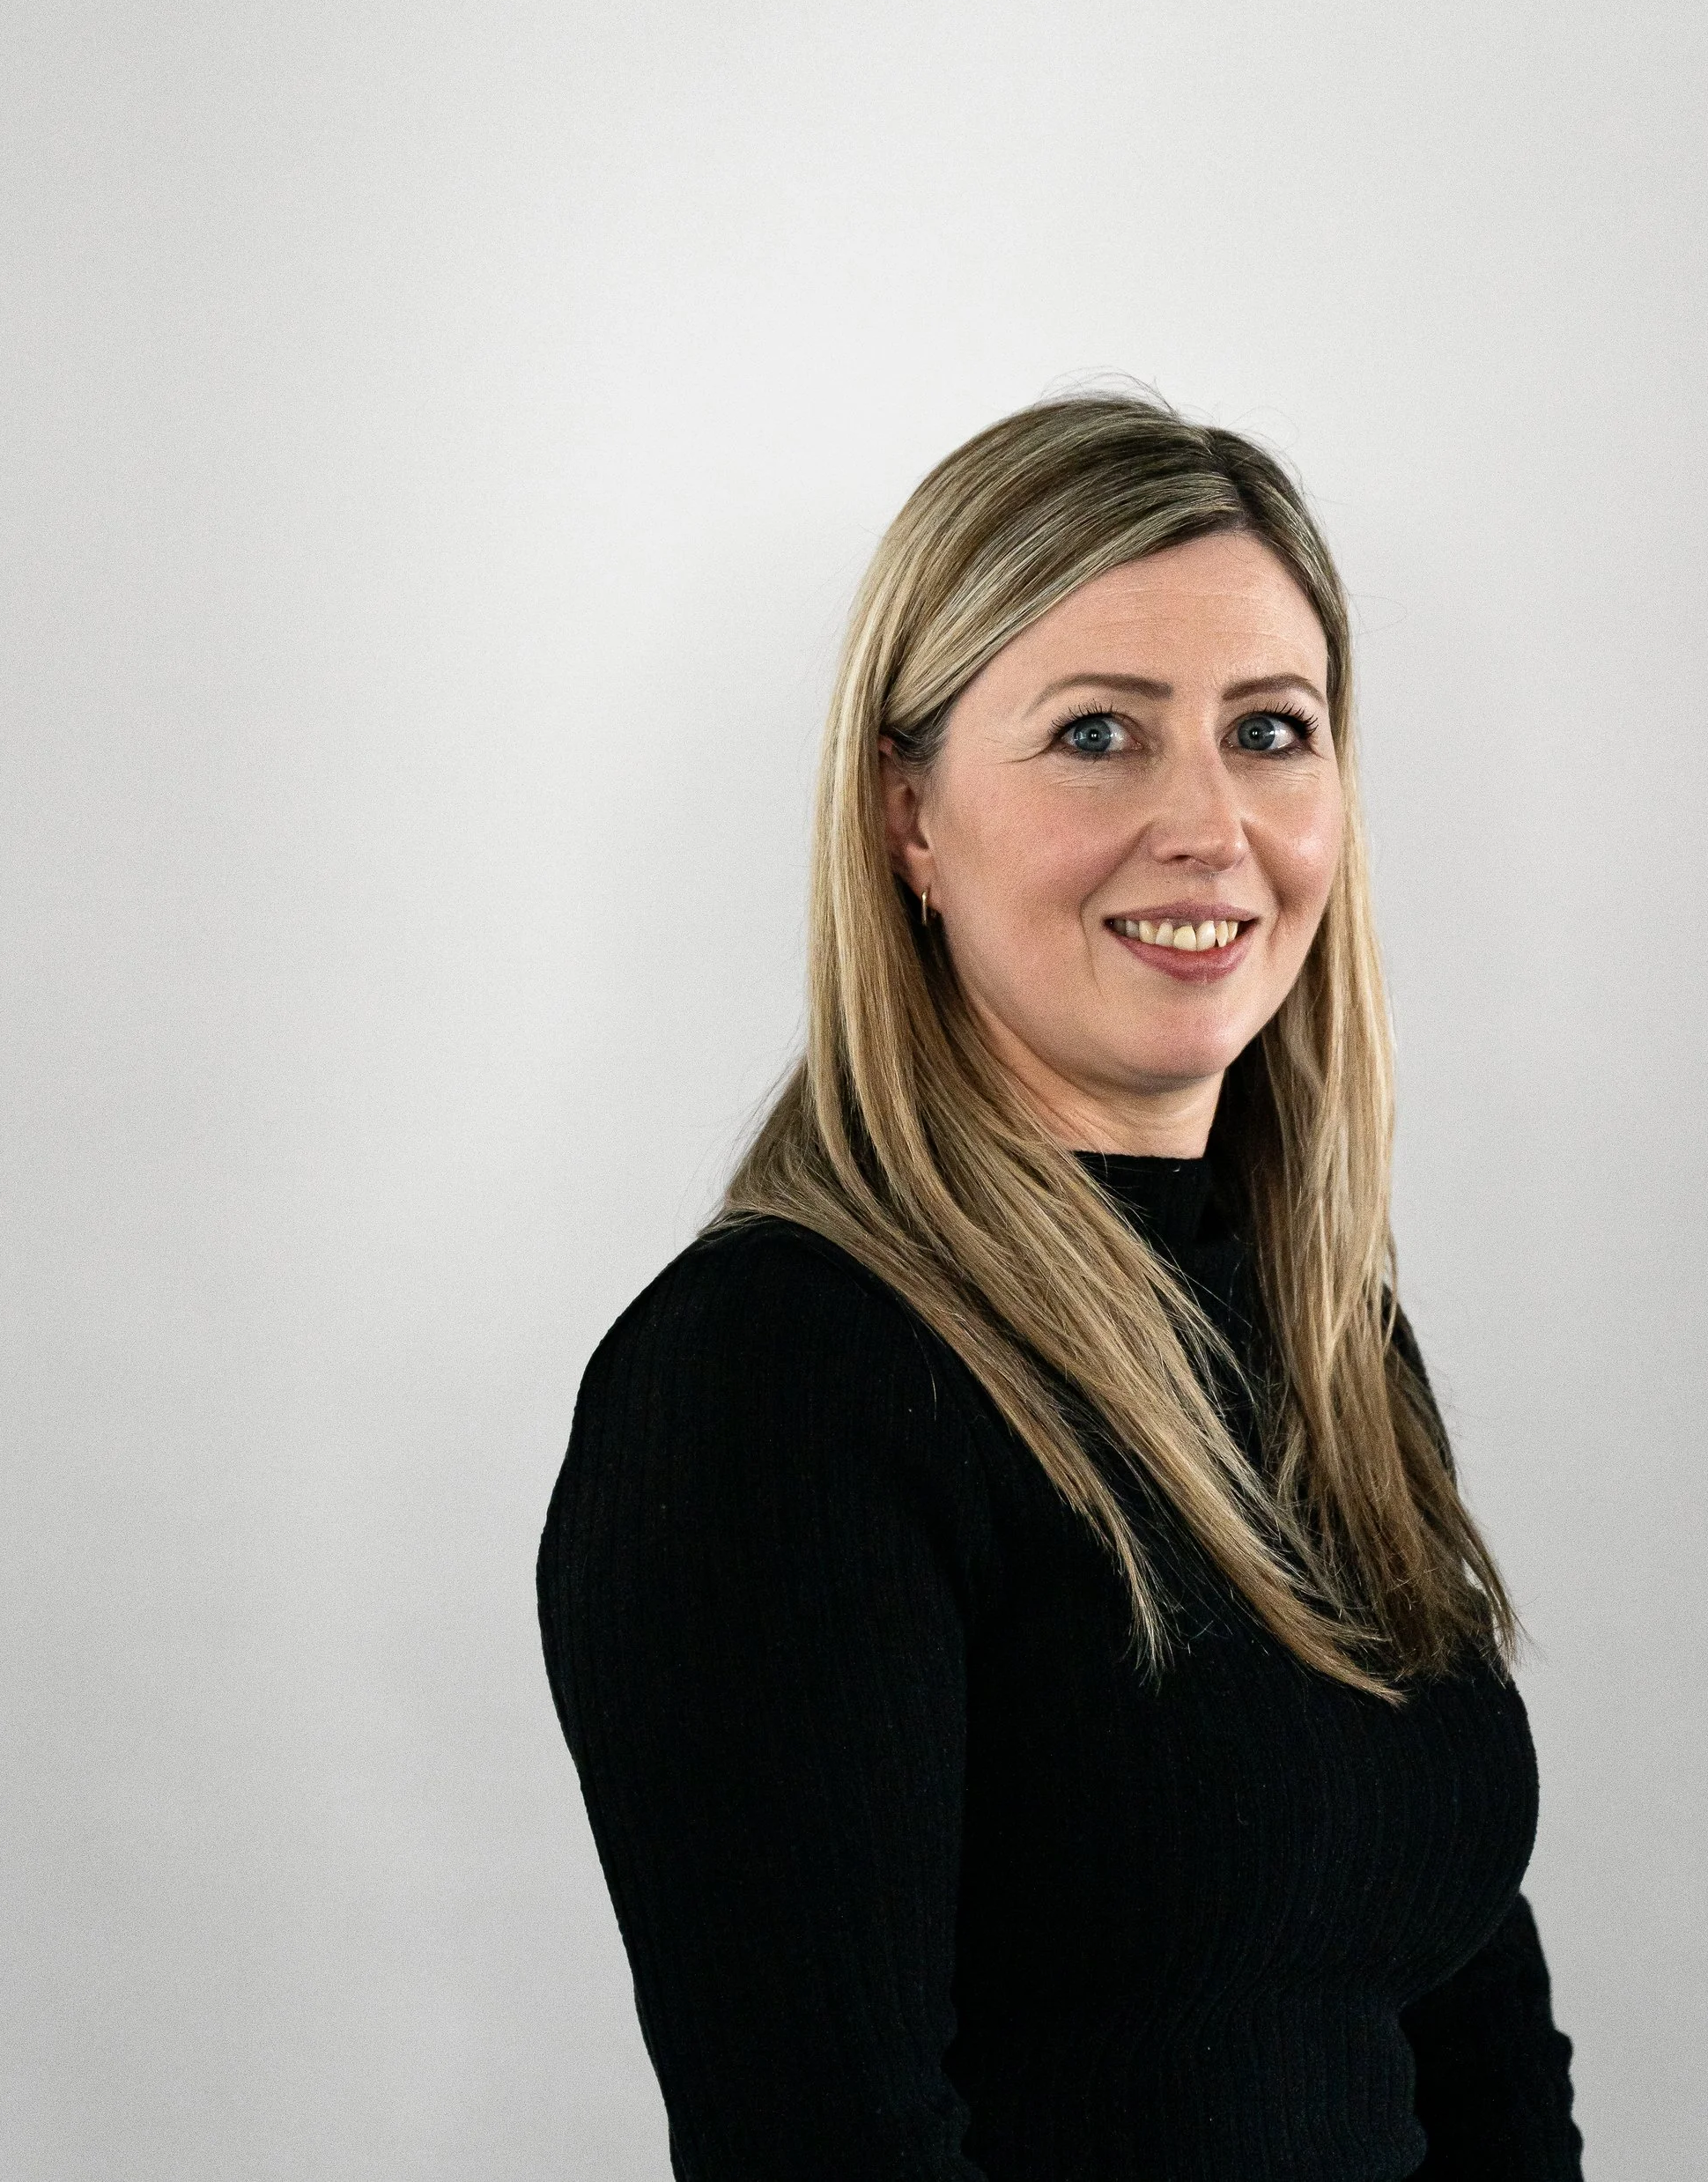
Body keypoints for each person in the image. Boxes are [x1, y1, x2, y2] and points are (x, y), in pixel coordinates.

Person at [536, 394, 1585, 2180]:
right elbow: (828, 2148)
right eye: (1096, 734)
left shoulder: (1314, 1329)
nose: (1207, 823)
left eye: (1270, 732)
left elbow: (1463, 2027)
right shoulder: (779, 1380)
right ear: (908, 820)